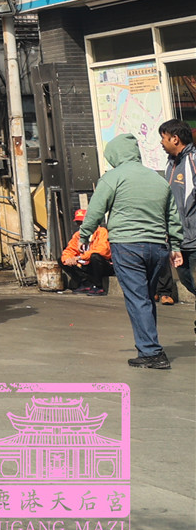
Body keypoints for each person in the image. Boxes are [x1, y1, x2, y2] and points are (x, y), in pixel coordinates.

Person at [75, 133, 180, 369]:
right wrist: (175, 245)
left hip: (128, 245)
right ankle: (148, 346)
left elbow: (95, 210)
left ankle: (152, 352)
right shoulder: (158, 179)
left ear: (115, 155)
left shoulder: (113, 177)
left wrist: (84, 235)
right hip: (158, 247)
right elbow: (173, 216)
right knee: (146, 298)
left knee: (137, 298)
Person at [161, 120, 196, 319]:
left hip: (194, 238)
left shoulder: (193, 160)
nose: (161, 143)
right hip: (179, 239)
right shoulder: (171, 164)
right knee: (185, 280)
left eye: (163, 138)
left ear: (175, 139)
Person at [60, 208, 113, 294]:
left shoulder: (101, 232)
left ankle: (98, 286)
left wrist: (79, 257)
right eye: (78, 223)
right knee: (62, 260)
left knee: (95, 256)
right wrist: (68, 259)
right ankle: (85, 283)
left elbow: (102, 250)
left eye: (83, 222)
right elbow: (70, 250)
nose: (81, 225)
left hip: (103, 265)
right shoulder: (78, 235)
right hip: (86, 264)